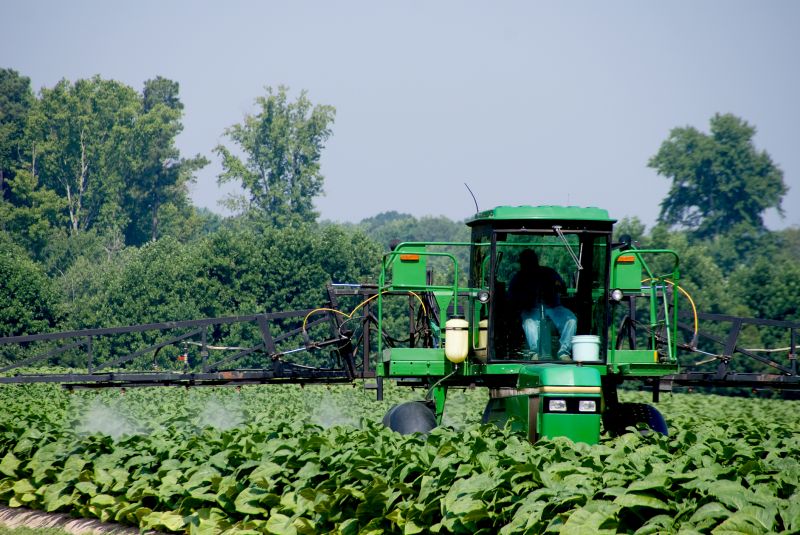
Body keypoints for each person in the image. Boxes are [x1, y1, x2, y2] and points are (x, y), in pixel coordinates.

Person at [508, 249, 577, 359]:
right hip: (531, 310)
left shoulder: (549, 272)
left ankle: (564, 352)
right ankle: (534, 353)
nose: (528, 263)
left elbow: (562, 287)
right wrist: (524, 298)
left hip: (554, 308)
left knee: (571, 319)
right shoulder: (518, 278)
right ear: (522, 263)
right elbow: (511, 298)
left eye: (531, 260)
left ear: (536, 260)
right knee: (529, 322)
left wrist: (557, 286)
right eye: (526, 261)